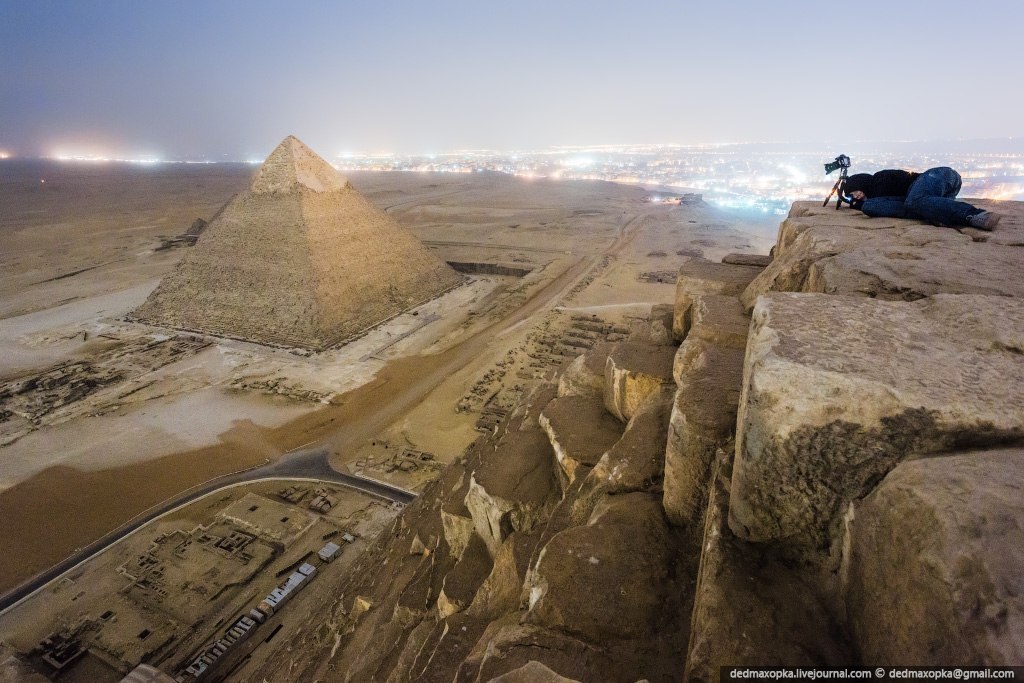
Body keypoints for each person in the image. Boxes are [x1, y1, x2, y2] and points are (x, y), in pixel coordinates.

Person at [843, 166, 1001, 230]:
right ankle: (937, 213)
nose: (855, 196)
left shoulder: (880, 180)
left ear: (861, 183)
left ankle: (975, 214)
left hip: (940, 175)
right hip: (938, 192)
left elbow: (896, 203)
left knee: (913, 202)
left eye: (854, 191)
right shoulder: (875, 196)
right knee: (913, 203)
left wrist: (865, 204)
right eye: (851, 196)